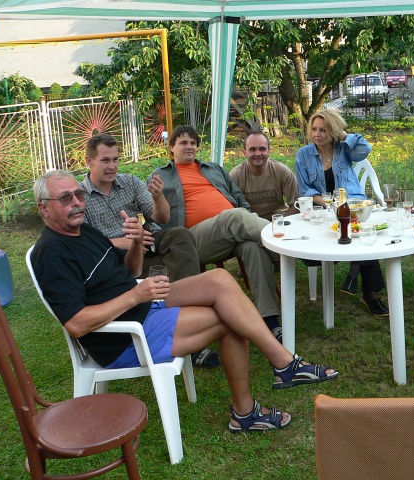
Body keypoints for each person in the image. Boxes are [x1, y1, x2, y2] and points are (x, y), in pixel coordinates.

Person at [31, 170, 339, 432]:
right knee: (230, 319)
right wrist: (135, 295)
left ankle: (282, 366)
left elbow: (132, 271)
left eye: (78, 195)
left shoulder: (84, 230)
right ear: (43, 208)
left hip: (141, 304)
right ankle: (253, 403)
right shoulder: (52, 253)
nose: (76, 203)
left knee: (219, 281)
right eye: (65, 199)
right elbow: (76, 324)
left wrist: (137, 242)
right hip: (125, 336)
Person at [80, 134, 219, 369]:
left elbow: (162, 217)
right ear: (89, 161)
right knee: (167, 264)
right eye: (105, 160)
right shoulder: (80, 198)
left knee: (179, 234)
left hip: (150, 243)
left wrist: (157, 197)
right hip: (118, 261)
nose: (112, 166)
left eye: (115, 159)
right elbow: (86, 244)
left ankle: (192, 309)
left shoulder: (130, 182)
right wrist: (125, 242)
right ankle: (190, 334)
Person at [149, 126, 283, 342]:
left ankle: (269, 320)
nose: (189, 146)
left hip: (229, 234)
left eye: (193, 142)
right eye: (183, 143)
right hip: (192, 241)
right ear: (171, 148)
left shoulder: (213, 169)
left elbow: (238, 198)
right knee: (234, 216)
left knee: (252, 247)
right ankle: (284, 249)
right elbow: (154, 217)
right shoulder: (160, 176)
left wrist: (246, 214)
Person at [295, 109, 389, 316]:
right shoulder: (304, 155)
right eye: (314, 129)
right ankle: (366, 289)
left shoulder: (345, 150)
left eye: (323, 129)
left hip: (355, 206)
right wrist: (328, 203)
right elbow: (305, 189)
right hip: (325, 209)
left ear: (333, 131)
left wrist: (344, 135)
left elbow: (365, 149)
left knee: (359, 229)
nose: (317, 134)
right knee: (358, 233)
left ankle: (360, 283)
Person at [229, 131, 299, 221]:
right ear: (244, 152)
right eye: (252, 149)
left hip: (280, 220)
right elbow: (230, 211)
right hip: (249, 224)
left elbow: (297, 205)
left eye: (262, 149)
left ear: (269, 151)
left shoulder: (282, 171)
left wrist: (279, 223)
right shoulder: (235, 176)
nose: (258, 154)